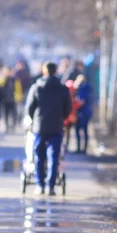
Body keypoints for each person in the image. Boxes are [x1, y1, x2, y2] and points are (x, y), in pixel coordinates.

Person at [25, 61, 72, 196]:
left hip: (39, 127)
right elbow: (68, 108)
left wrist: (34, 119)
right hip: (56, 126)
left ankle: (39, 184)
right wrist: (61, 117)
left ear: (44, 71)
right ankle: (51, 186)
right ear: (55, 71)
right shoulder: (62, 89)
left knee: (39, 156)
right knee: (54, 156)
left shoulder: (36, 87)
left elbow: (29, 108)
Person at [74, 74, 93, 154]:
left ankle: (79, 148)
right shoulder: (89, 89)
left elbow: (81, 102)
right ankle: (85, 148)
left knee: (78, 130)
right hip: (88, 111)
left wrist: (74, 105)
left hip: (81, 112)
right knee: (85, 130)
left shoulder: (81, 89)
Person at [0, 67, 18, 133]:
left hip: (12, 99)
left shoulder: (14, 80)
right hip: (5, 100)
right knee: (6, 114)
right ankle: (6, 126)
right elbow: (0, 86)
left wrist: (17, 98)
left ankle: (13, 127)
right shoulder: (3, 79)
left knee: (13, 114)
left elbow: (17, 89)